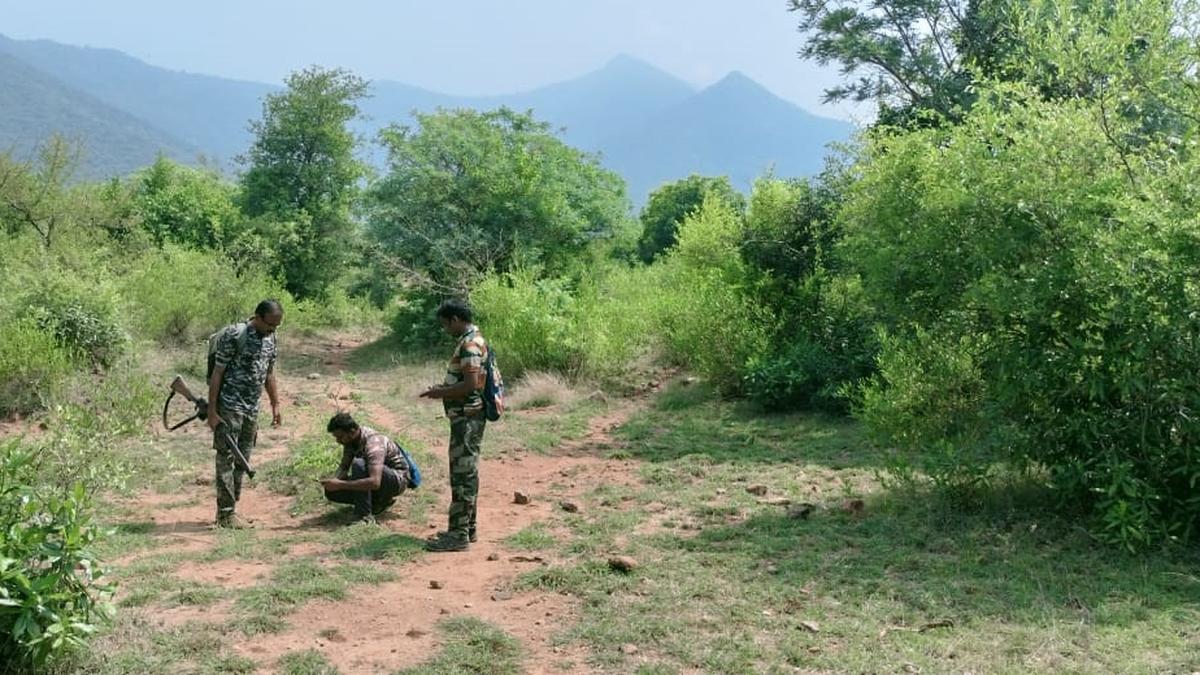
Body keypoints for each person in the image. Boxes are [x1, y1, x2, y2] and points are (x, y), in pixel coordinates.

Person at [418, 299, 488, 552]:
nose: (446, 329)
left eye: (446, 324)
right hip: (468, 416)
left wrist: (441, 392)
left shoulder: (469, 345)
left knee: (462, 475)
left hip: (467, 418)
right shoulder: (474, 339)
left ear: (455, 319)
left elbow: (469, 385)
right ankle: (467, 529)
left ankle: (458, 535)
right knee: (467, 473)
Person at [206, 299, 283, 529]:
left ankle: (232, 512)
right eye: (270, 324)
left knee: (243, 459)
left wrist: (275, 404)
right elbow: (217, 373)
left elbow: (268, 373)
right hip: (229, 407)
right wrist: (212, 411)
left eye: (277, 326)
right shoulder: (234, 335)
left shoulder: (271, 338)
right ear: (257, 317)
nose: (272, 330)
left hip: (252, 409)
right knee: (226, 458)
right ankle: (225, 514)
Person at [320, 412, 410, 524]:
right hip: (374, 477)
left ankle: (363, 516)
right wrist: (334, 482)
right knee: (332, 492)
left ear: (352, 432)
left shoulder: (374, 443)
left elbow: (375, 482)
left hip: (396, 481)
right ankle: (378, 502)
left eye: (340, 437)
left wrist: (341, 484)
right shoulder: (351, 442)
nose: (338, 441)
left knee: (358, 464)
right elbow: (344, 467)